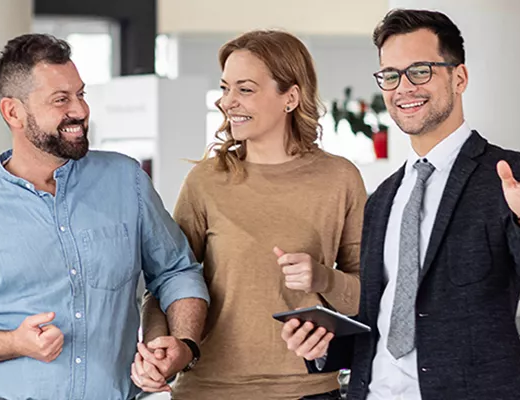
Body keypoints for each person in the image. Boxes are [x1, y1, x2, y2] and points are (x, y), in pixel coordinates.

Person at [280, 9, 520, 399]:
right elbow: (382, 321)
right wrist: (323, 344)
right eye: (391, 75)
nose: (403, 87)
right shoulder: (384, 198)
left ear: (459, 78)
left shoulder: (508, 174)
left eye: (420, 71)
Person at [0, 33, 210, 400]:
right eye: (61, 100)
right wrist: (13, 343)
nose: (80, 111)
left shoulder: (126, 181)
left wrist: (182, 344)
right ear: (13, 112)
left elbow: (176, 271)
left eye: (81, 94)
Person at [131, 30, 365, 400]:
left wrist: (323, 277)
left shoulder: (340, 178)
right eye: (225, 88)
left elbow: (367, 296)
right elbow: (166, 282)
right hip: (209, 390)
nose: (228, 102)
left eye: (246, 89)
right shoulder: (206, 180)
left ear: (290, 97)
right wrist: (161, 346)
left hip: (307, 391)